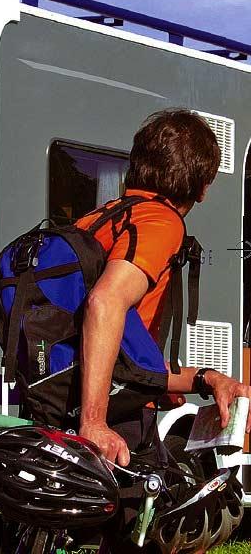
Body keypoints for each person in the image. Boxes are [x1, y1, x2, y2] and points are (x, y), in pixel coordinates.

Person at [74, 109, 251, 468]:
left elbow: (123, 355)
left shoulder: (96, 220)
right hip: (114, 423)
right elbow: (104, 302)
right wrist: (94, 423)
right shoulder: (161, 221)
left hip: (64, 406)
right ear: (202, 187)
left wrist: (206, 379)